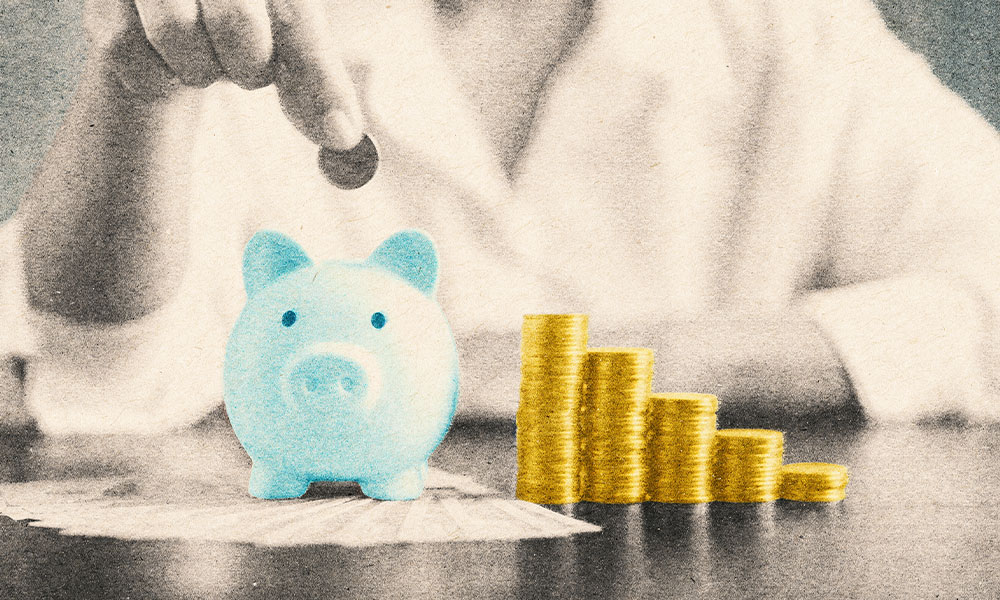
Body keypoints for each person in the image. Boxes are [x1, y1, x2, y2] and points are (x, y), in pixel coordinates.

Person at [2, 0, 1000, 434]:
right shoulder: (255, 18)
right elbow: (94, 378)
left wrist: (566, 368)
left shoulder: (785, 28)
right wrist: (141, 91)